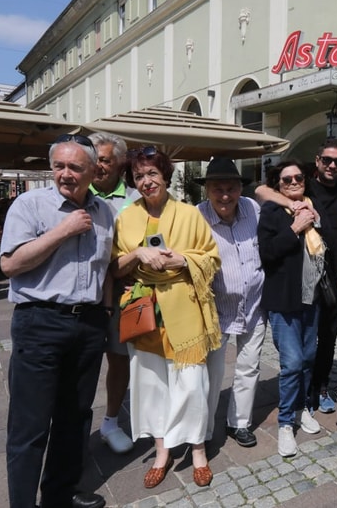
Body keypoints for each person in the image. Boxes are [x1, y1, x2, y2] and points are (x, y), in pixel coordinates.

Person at [1, 133, 114, 508]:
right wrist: (62, 231)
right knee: (30, 426)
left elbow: (106, 270)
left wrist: (108, 313)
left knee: (75, 418)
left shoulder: (104, 212)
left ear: (94, 170)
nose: (65, 174)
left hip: (89, 324)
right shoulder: (29, 205)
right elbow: (10, 264)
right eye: (59, 166)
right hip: (40, 323)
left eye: (75, 167)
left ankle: (59, 496)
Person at [110, 147, 221, 489]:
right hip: (145, 309)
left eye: (152, 174)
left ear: (166, 176)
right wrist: (137, 253)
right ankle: (162, 451)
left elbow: (212, 258)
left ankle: (198, 450)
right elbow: (114, 267)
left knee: (190, 384)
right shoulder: (126, 217)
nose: (146, 181)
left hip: (184, 309)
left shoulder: (189, 214)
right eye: (139, 176)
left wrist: (183, 261)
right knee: (152, 385)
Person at [256, 138, 337, 413]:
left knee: (321, 344)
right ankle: (292, 410)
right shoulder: (289, 203)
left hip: (326, 284)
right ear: (317, 162)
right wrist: (293, 212)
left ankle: (315, 395)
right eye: (327, 160)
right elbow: (261, 189)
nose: (332, 165)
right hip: (293, 291)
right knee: (297, 356)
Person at [257, 160, 327, 457]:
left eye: (298, 177)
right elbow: (267, 254)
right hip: (284, 301)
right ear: (279, 185)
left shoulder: (314, 209)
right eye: (287, 180)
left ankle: (301, 408)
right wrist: (295, 229)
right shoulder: (272, 213)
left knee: (309, 357)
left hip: (311, 298)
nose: (294, 182)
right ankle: (286, 423)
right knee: (293, 363)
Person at [195, 157, 266, 448]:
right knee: (212, 373)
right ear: (207, 191)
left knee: (249, 367)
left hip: (253, 305)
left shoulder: (253, 208)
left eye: (231, 188)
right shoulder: (196, 217)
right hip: (216, 309)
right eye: (217, 189)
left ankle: (240, 423)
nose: (225, 196)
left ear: (240, 189)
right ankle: (206, 428)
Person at [88, 131, 140, 455]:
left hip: (121, 294)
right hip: (78, 296)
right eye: (93, 159)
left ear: (120, 163)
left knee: (119, 360)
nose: (97, 165)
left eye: (104, 160)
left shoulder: (136, 199)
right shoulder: (76, 192)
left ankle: (109, 421)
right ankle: (72, 425)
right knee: (80, 365)